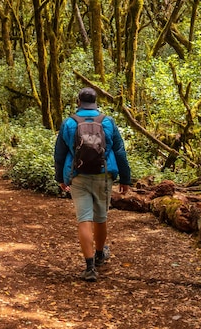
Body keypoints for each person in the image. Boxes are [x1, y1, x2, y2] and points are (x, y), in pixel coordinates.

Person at [54, 87, 131, 282]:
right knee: (100, 217)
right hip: (103, 175)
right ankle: (99, 255)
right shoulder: (108, 121)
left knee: (84, 218)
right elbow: (120, 152)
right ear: (96, 102)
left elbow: (60, 154)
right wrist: (125, 178)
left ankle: (89, 268)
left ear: (78, 101)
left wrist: (60, 178)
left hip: (78, 176)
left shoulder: (69, 122)